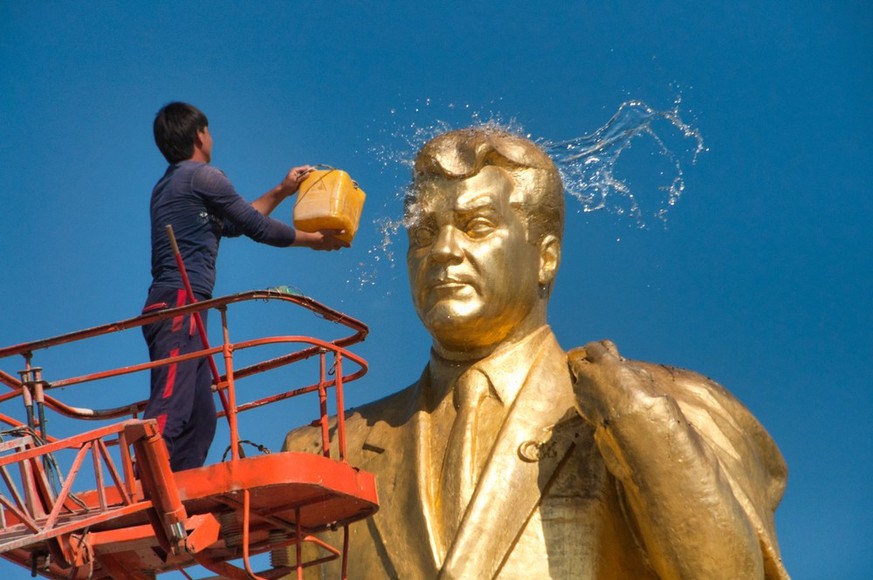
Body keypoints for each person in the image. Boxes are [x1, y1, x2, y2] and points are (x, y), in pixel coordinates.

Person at [283, 128, 789, 578]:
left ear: (546, 257)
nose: (442, 251)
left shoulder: (671, 406)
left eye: (477, 226)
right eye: (424, 233)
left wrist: (641, 424)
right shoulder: (324, 453)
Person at [144, 102, 346, 472]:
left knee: (201, 418)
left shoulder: (173, 183)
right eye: (209, 131)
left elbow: (234, 223)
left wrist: (283, 190)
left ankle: (181, 487)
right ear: (199, 135)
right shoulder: (203, 176)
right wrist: (314, 239)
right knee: (170, 406)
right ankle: (144, 483)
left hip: (182, 307)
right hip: (179, 305)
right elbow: (257, 227)